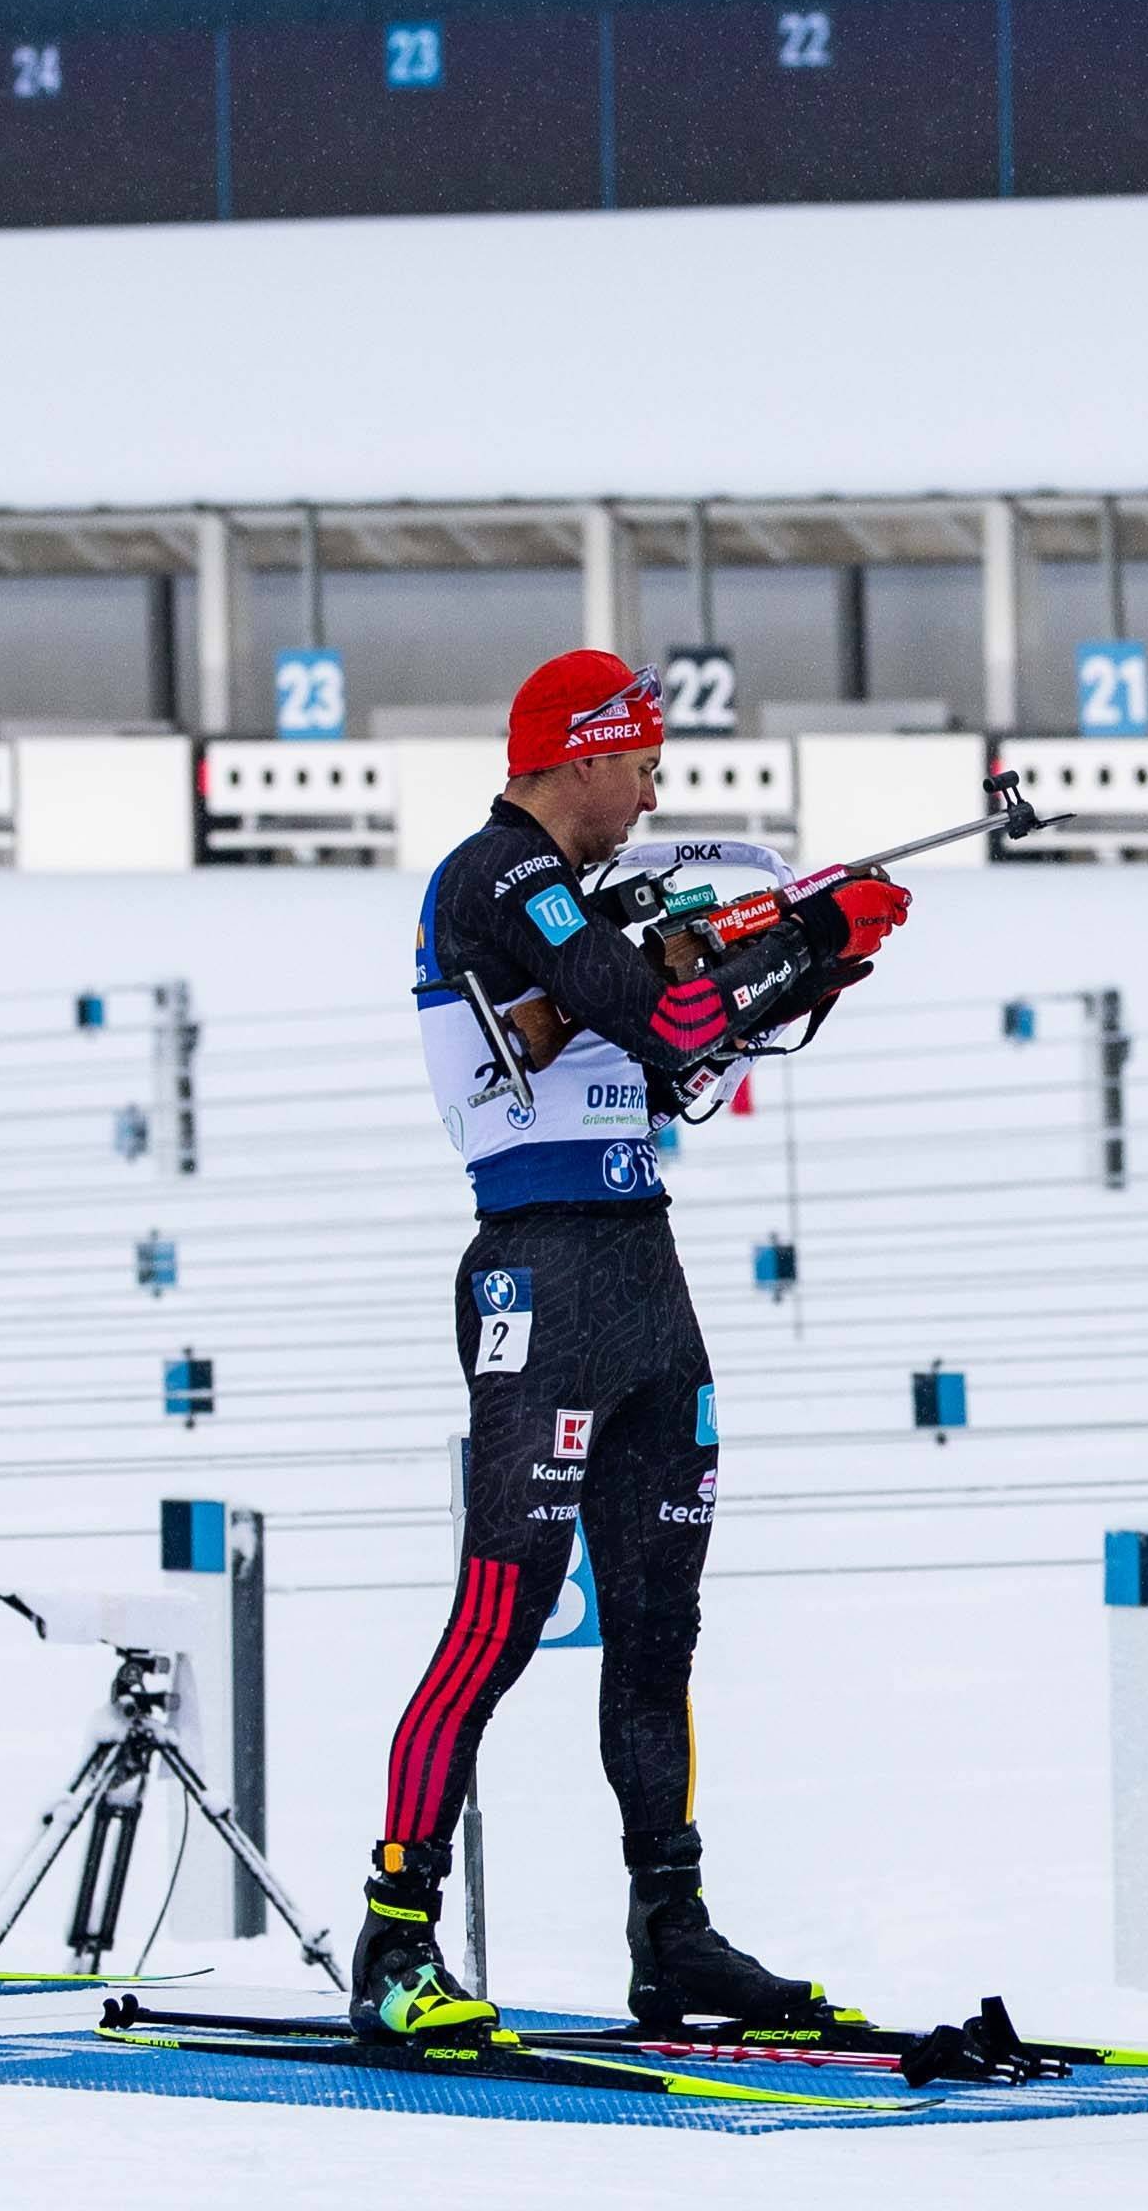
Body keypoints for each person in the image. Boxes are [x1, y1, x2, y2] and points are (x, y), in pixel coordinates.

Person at [347, 649, 916, 2051]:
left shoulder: (591, 896)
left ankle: (674, 1934)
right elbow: (655, 1009)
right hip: (536, 1272)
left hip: (641, 1271)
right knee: (502, 1613)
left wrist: (816, 961)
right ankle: (394, 1941)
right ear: (581, 755)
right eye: (643, 759)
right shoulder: (498, 875)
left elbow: (692, 1056)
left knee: (661, 1627)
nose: (657, 787)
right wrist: (786, 943)